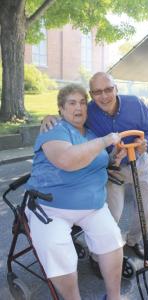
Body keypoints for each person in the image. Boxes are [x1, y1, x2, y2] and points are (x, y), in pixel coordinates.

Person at [41, 72, 148, 261]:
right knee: (111, 215)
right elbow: (69, 118)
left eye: (108, 89)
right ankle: (98, 255)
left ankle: (133, 240)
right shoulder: (88, 111)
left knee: (146, 212)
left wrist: (145, 144)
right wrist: (47, 118)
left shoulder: (135, 104)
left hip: (140, 163)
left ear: (116, 88)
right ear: (91, 94)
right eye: (97, 92)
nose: (104, 96)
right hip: (113, 169)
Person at [26, 83, 126, 300]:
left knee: (112, 239)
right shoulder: (55, 129)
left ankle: (114, 297)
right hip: (51, 207)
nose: (78, 107)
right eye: (71, 103)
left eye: (82, 102)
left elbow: (95, 160)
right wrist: (105, 141)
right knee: (57, 248)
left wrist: (112, 159)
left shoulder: (90, 133)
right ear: (61, 109)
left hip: (92, 206)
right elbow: (67, 159)